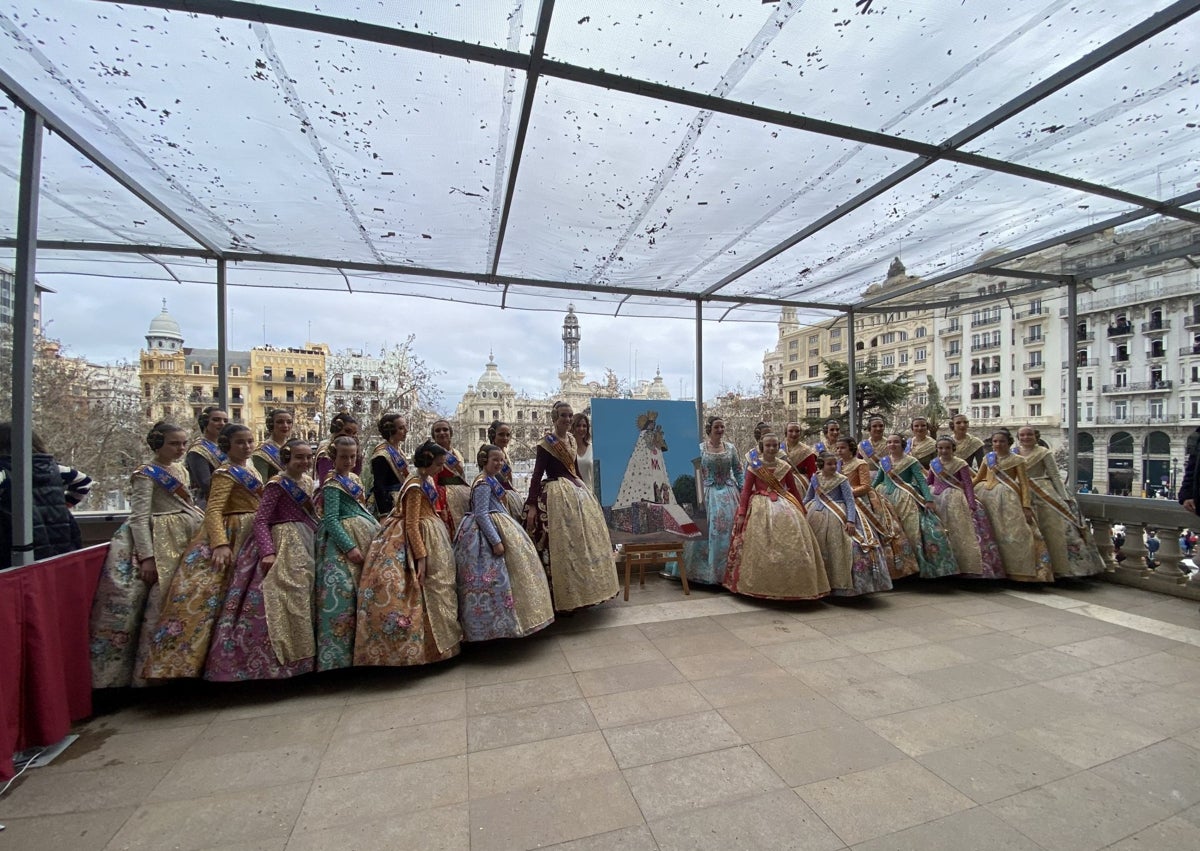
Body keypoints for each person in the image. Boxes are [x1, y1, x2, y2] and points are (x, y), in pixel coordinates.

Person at [142, 423, 262, 679]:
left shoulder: (249, 468)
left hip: (252, 531)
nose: (247, 446)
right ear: (227, 445)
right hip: (233, 533)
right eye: (240, 442)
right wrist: (219, 543)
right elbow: (214, 509)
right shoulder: (224, 473)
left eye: (250, 441)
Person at [90, 422, 202, 688]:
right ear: (157, 444)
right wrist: (147, 556)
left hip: (185, 534)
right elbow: (139, 518)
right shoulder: (146, 474)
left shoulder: (181, 469)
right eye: (174, 443)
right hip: (161, 538)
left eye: (183, 443)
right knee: (158, 599)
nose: (180, 448)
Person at [205, 439, 317, 681]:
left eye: (309, 457)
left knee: (306, 596)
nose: (305, 462)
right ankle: (287, 660)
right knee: (286, 597)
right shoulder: (277, 484)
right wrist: (267, 551)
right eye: (299, 457)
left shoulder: (307, 481)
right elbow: (260, 520)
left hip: (307, 539)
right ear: (287, 458)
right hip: (283, 542)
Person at [355, 440, 461, 666]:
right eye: (439, 463)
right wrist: (421, 556)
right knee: (431, 588)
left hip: (433, 532)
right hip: (421, 536)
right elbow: (411, 524)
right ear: (427, 462)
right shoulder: (414, 485)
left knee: (442, 587)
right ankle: (434, 648)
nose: (441, 468)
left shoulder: (426, 479)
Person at [525, 401, 619, 612]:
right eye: (563, 416)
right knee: (563, 544)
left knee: (581, 542)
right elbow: (537, 473)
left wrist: (583, 489)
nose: (567, 419)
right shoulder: (545, 443)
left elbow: (574, 469)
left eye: (569, 416)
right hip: (556, 494)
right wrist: (531, 504)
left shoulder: (570, 440)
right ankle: (563, 597)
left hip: (577, 493)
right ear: (554, 418)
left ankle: (585, 591)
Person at [454, 445, 554, 641]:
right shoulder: (483, 483)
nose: (499, 463)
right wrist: (496, 541)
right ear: (485, 461)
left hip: (500, 525)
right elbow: (482, 515)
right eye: (495, 460)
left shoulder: (491, 480)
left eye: (501, 460)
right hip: (487, 534)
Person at [725, 433, 829, 600]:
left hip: (784, 504)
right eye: (768, 446)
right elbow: (745, 491)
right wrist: (742, 514)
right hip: (759, 506)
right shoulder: (754, 466)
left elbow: (793, 490)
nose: (772, 448)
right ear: (762, 447)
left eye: (775, 445)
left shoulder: (784, 466)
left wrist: (802, 508)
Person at [315, 435, 380, 670]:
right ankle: (339, 657)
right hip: (342, 545)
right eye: (344, 457)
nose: (349, 461)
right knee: (343, 594)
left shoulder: (353, 478)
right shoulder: (332, 484)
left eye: (352, 456)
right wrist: (349, 548)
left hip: (364, 534)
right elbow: (331, 519)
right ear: (334, 457)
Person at [1016, 426, 1104, 578]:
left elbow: (1055, 475)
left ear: (1036, 435)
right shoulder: (1014, 453)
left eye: (1029, 434)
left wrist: (1065, 498)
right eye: (1022, 435)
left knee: (1055, 530)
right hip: (1020, 492)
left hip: (1043, 492)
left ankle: (1062, 569)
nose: (1025, 437)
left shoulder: (1044, 452)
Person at [804, 452, 892, 596]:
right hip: (816, 515)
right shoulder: (815, 478)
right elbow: (808, 497)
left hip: (839, 516)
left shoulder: (842, 480)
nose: (833, 466)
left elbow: (850, 501)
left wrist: (850, 520)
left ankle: (842, 586)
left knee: (846, 547)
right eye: (829, 464)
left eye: (835, 464)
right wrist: (800, 510)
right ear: (821, 465)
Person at [872, 434, 959, 578]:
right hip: (886, 499)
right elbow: (877, 481)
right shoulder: (884, 462)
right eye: (889, 442)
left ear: (902, 444)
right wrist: (868, 494)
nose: (892, 445)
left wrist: (928, 499)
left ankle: (914, 566)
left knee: (911, 531)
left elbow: (921, 481)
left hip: (906, 499)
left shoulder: (911, 461)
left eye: (896, 442)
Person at [973, 430, 1054, 582]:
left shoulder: (1017, 460)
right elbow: (978, 477)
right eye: (995, 442)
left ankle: (1019, 571)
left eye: (1002, 441)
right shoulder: (988, 458)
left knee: (1016, 534)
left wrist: (1026, 506)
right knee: (990, 534)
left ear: (1009, 443)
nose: (998, 444)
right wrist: (966, 490)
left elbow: (1024, 484)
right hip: (986, 497)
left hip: (1008, 498)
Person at [0, 423, 84, 568]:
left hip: (18, 550)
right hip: (59, 548)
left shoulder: (4, 471)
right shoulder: (53, 467)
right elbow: (84, 482)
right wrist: (64, 504)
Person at [672, 416, 744, 586]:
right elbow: (694, 472)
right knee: (704, 529)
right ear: (709, 429)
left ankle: (728, 571)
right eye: (717, 427)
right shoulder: (700, 449)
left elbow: (739, 471)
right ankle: (700, 570)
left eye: (722, 427)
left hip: (728, 492)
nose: (720, 430)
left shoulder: (731, 448)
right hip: (707, 493)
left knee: (727, 530)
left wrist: (744, 490)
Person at [836, 437, 919, 580]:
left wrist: (848, 493)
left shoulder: (860, 463)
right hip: (844, 502)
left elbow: (866, 486)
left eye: (842, 448)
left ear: (851, 448)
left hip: (863, 501)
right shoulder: (837, 465)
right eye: (837, 448)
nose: (839, 451)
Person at [927, 436, 1004, 579]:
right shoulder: (934, 463)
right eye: (941, 448)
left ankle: (965, 567)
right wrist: (925, 497)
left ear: (953, 449)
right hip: (936, 499)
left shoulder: (960, 463)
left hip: (955, 499)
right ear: (936, 449)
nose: (944, 451)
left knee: (960, 532)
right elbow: (929, 481)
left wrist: (971, 504)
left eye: (947, 448)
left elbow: (968, 484)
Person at [431, 419, 471, 535]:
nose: (442, 432)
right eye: (437, 431)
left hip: (462, 497)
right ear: (434, 435)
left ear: (451, 433)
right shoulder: (431, 454)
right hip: (443, 499)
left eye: (445, 429)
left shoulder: (457, 453)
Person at [185, 406, 228, 507]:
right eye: (216, 420)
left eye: (225, 421)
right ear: (205, 422)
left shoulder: (226, 446)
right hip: (208, 503)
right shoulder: (198, 450)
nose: (222, 423)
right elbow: (206, 483)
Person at [369, 413, 409, 518]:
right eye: (401, 428)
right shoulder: (381, 455)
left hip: (401, 499)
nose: (406, 430)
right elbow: (379, 485)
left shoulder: (398, 450)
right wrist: (384, 513)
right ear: (391, 431)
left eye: (405, 427)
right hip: (390, 503)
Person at [488, 420, 527, 520]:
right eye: (501, 435)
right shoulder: (487, 451)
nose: (505, 438)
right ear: (493, 435)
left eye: (507, 435)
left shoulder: (504, 453)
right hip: (494, 497)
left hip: (509, 494)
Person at [316, 411, 361, 484]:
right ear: (336, 429)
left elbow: (356, 473)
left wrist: (358, 453)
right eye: (347, 431)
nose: (351, 436)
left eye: (354, 433)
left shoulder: (353, 448)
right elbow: (326, 481)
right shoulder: (325, 450)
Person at [251, 408, 292, 482]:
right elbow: (261, 484)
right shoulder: (261, 453)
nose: (285, 425)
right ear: (270, 425)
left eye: (289, 422)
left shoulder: (294, 447)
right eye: (280, 422)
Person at [782, 421, 818, 490]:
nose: (794, 434)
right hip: (781, 482)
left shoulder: (807, 451)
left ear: (800, 433)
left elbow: (812, 473)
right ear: (786, 433)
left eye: (797, 431)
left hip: (800, 484)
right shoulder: (779, 449)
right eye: (790, 431)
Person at [571, 413, 595, 496]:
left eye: (584, 426)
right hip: (572, 494)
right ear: (572, 427)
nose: (581, 428)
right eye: (578, 425)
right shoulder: (567, 449)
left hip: (589, 494)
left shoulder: (593, 448)